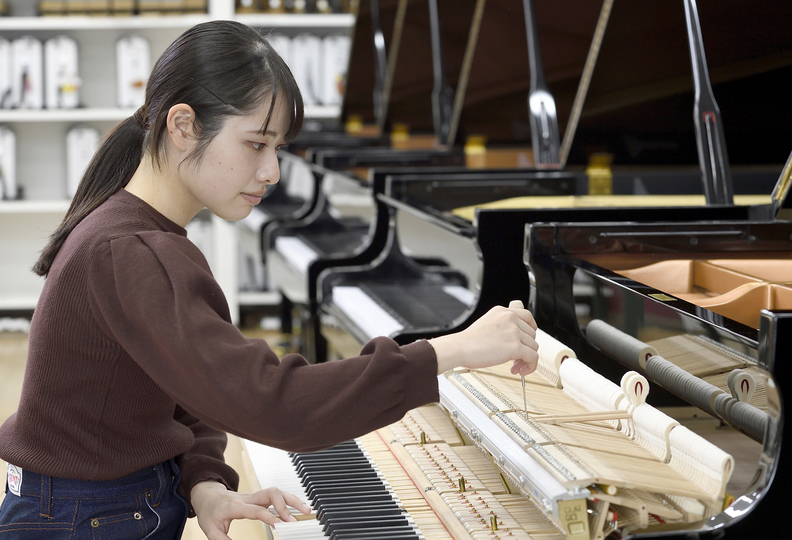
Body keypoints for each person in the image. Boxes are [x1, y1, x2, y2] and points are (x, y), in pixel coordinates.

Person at [0, 20, 538, 540]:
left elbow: (184, 386)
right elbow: (272, 405)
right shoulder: (133, 251)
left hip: (91, 507)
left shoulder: (134, 232)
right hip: (83, 519)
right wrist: (450, 351)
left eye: (277, 148)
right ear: (183, 126)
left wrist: (204, 480)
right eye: (256, 144)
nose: (272, 172)